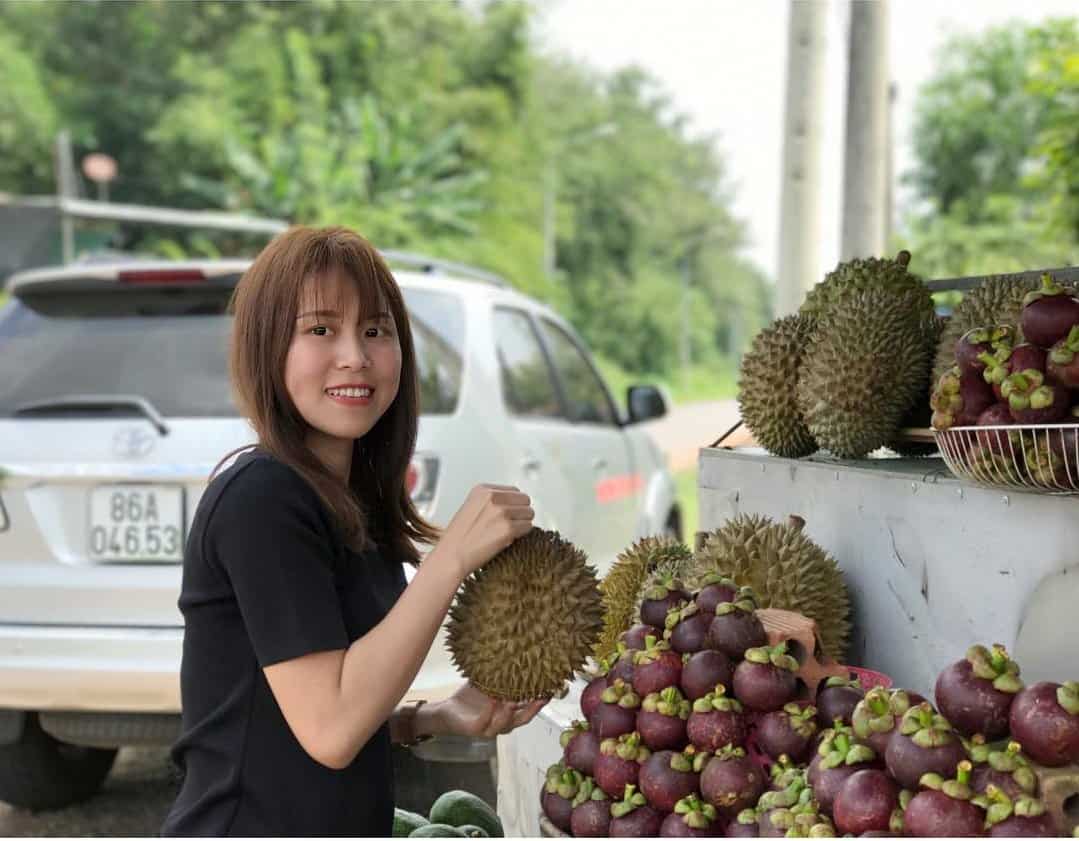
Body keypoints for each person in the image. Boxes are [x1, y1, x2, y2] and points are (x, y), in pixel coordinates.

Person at [161, 227, 544, 837]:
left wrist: (431, 718)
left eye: (375, 330)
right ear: (268, 348)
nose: (355, 356)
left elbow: (290, 712)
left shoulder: (348, 503)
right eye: (320, 330)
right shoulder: (262, 498)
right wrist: (450, 561)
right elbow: (330, 730)